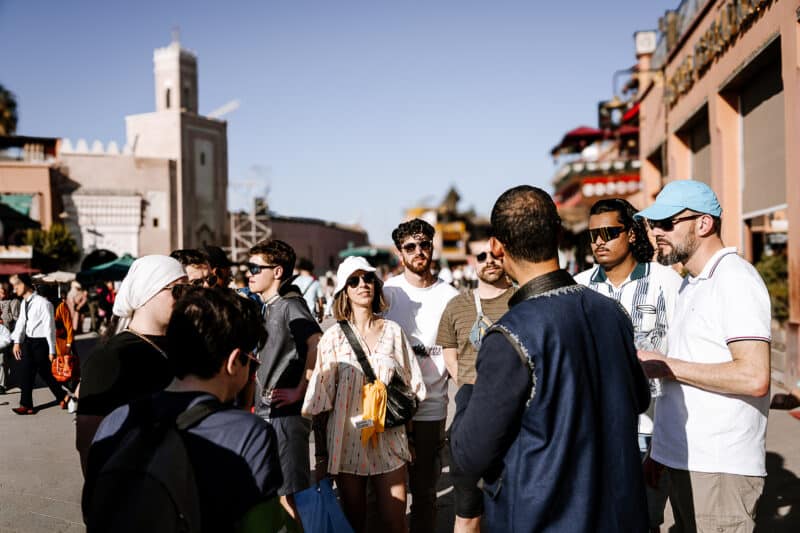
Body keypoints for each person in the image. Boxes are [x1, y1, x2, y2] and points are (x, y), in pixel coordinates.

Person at [450, 185, 650, 532]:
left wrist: (467, 395)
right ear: (559, 234)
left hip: (544, 517)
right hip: (620, 515)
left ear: (496, 246)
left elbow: (469, 455)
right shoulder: (612, 312)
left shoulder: (509, 334)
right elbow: (639, 398)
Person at [84, 287, 290, 532]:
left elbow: (92, 507)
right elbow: (262, 527)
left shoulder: (116, 419)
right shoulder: (249, 433)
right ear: (234, 361)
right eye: (252, 362)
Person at [635, 180, 771, 532]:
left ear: (704, 223)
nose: (656, 233)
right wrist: (661, 451)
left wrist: (665, 365)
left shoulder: (734, 279)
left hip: (719, 467)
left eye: (667, 223)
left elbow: (754, 377)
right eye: (653, 224)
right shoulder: (692, 282)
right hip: (689, 461)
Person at [574, 198, 682, 532]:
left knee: (644, 522)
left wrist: (665, 441)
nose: (599, 241)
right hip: (593, 433)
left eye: (609, 232)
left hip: (651, 431)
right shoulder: (577, 288)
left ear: (632, 234)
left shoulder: (667, 283)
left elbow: (683, 356)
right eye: (593, 235)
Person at [302, 256, 426, 533]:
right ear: (344, 291)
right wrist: (321, 456)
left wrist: (411, 438)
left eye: (368, 278)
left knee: (396, 523)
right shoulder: (332, 337)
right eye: (354, 280)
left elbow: (410, 389)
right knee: (354, 523)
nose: (363, 284)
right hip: (345, 440)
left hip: (390, 438)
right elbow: (321, 401)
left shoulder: (394, 332)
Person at [76, 255, 187, 474]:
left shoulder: (182, 345)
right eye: (177, 290)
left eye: (189, 290)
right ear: (147, 292)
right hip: (136, 483)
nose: (186, 298)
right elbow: (88, 441)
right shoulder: (109, 356)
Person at [383, 218, 458, 533]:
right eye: (410, 246)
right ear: (400, 253)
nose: (418, 251)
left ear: (432, 247)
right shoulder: (387, 292)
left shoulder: (451, 295)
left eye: (424, 244)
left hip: (431, 406)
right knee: (387, 493)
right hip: (390, 408)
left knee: (425, 492)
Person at [436, 240, 514, 533]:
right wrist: (472, 386)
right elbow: (450, 355)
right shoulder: (457, 305)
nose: (489, 260)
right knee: (468, 512)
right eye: (482, 256)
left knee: (512, 511)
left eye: (496, 255)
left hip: (515, 414)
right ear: (473, 261)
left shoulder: (523, 300)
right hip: (470, 414)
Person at [246, 239, 322, 522]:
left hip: (285, 415)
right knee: (278, 493)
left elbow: (316, 342)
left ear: (277, 271)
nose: (249, 273)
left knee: (291, 495)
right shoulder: (268, 306)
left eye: (256, 268)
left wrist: (301, 390)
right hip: (269, 413)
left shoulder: (290, 304)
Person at [8, 274, 63, 415]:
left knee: (46, 373)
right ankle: (26, 405)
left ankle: (64, 397)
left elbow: (50, 328)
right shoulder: (24, 303)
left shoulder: (43, 303)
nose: (14, 289)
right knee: (26, 372)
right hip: (28, 342)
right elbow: (21, 323)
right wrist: (17, 342)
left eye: (16, 285)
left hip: (41, 343)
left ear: (25, 284)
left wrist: (52, 350)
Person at [294, 257, 325, 322]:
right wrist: (321, 315)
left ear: (300, 268)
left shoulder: (294, 281)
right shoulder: (316, 283)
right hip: (310, 317)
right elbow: (320, 302)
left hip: (296, 315)